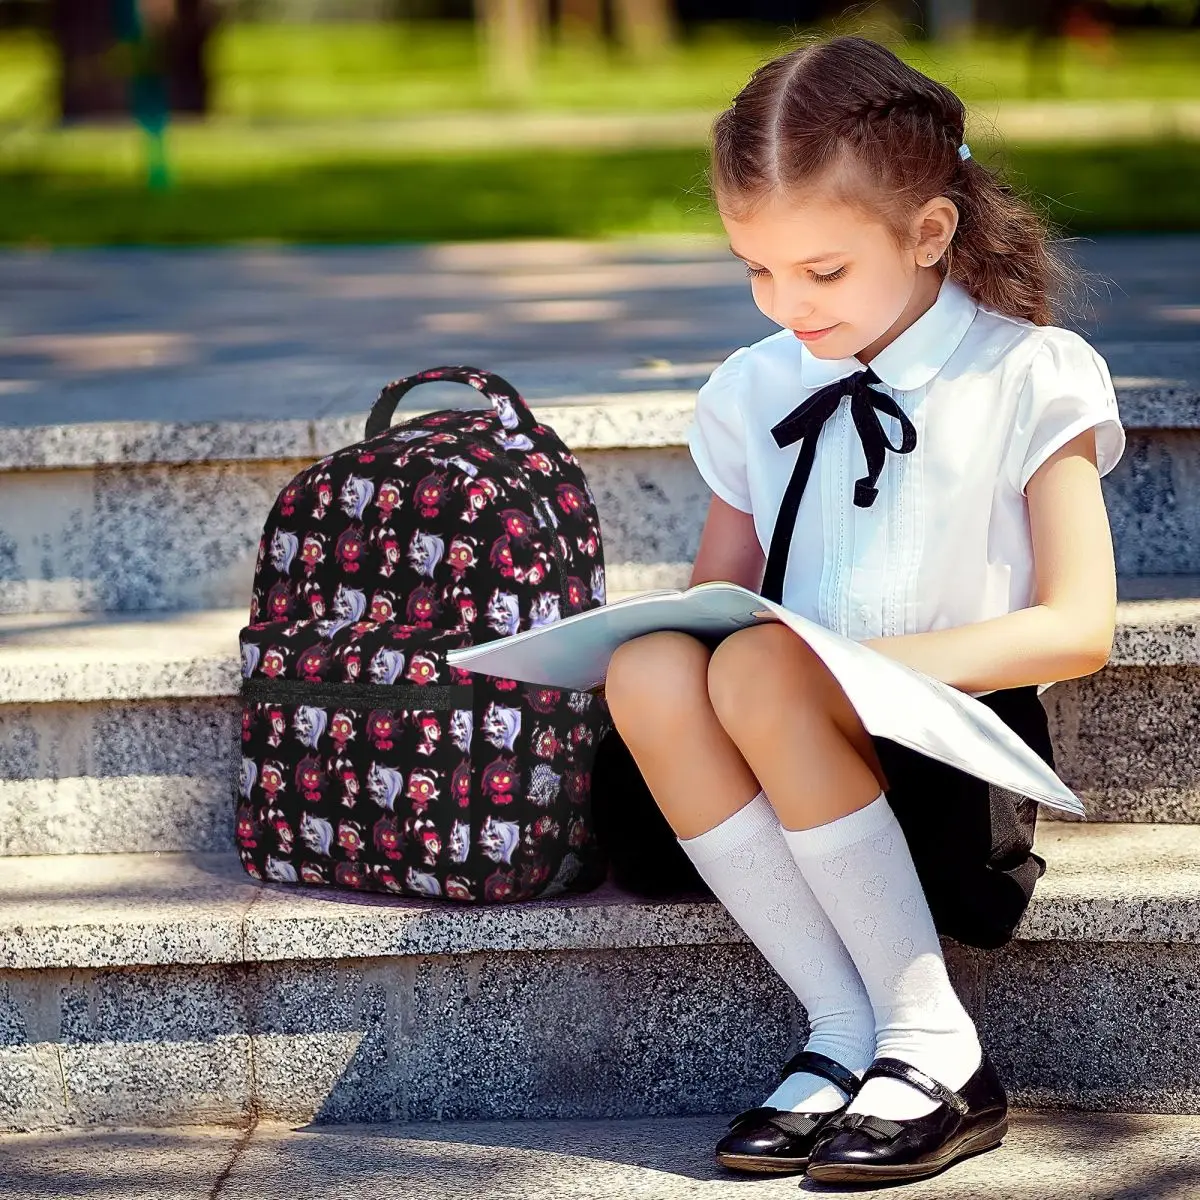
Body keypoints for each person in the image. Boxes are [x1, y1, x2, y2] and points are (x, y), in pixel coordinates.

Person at [602, 33, 1126, 1188]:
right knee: (655, 666)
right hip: (785, 765)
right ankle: (847, 1032)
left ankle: (936, 1043)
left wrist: (859, 667)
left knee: (768, 669)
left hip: (951, 768)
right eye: (757, 270)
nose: (787, 304)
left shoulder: (1029, 373)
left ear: (929, 231)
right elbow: (716, 607)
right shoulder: (753, 386)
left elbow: (1079, 627)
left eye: (823, 273)